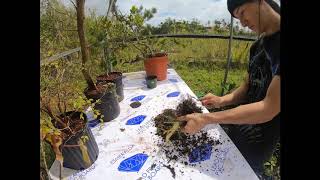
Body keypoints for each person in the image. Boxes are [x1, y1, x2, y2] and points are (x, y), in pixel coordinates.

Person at [177, 0, 280, 178]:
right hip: (240, 124)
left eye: (241, 12)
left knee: (246, 172)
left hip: (260, 139)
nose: (242, 22)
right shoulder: (257, 46)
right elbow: (248, 87)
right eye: (237, 18)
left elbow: (269, 108)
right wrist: (222, 100)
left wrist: (205, 118)